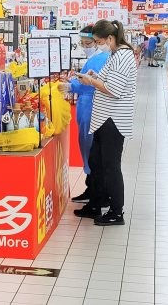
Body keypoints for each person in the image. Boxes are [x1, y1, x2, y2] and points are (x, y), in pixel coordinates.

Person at [73, 20, 138, 226]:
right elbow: (108, 80)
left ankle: (116, 212)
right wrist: (95, 76)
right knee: (97, 162)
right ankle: (96, 202)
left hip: (113, 119)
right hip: (103, 118)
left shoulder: (123, 56)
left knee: (111, 167)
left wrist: (91, 81)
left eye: (99, 42)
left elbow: (113, 89)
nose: (98, 46)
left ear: (110, 38)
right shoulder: (115, 55)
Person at [65, 26, 110, 203]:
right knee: (91, 150)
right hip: (90, 107)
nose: (85, 47)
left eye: (89, 43)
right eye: (82, 43)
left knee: (91, 150)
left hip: (91, 107)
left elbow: (86, 83)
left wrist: (70, 85)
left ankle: (96, 192)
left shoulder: (100, 59)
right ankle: (92, 188)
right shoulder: (98, 58)